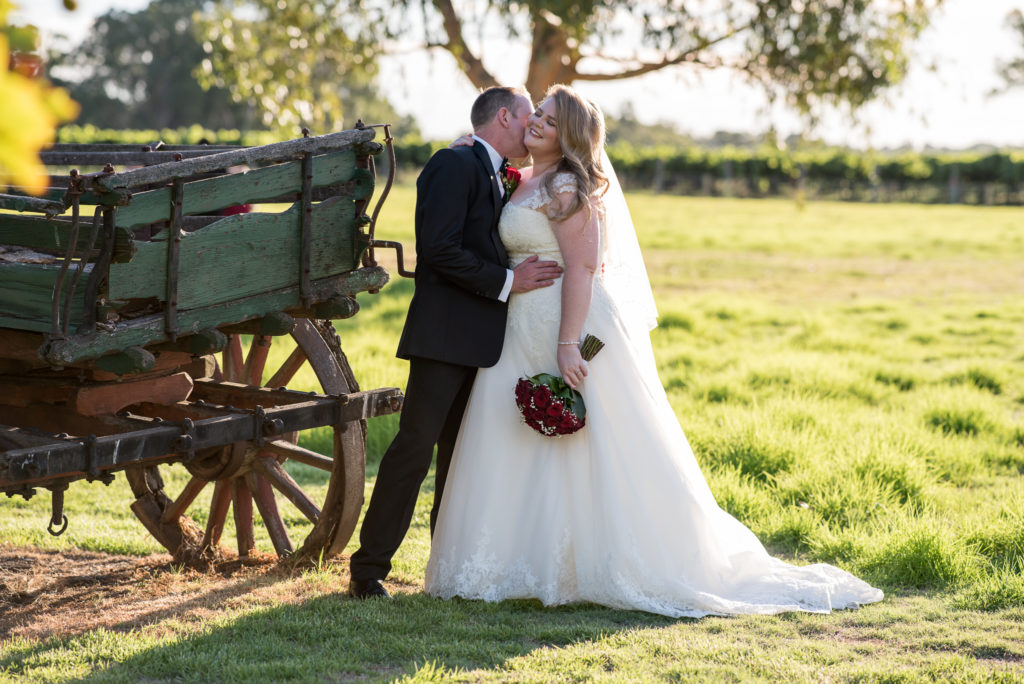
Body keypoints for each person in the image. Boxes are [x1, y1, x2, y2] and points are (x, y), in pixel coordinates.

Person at [424, 85, 884, 617]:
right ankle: (511, 561)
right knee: (513, 431)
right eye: (537, 117)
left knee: (586, 440)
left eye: (546, 121)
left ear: (568, 135)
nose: (535, 125)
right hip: (518, 326)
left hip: (562, 323)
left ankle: (591, 563)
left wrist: (568, 343)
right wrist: (470, 146)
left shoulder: (571, 186)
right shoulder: (520, 178)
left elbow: (581, 269)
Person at [348, 86, 564, 599]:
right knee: (414, 448)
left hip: (486, 340)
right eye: (529, 117)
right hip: (444, 336)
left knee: (459, 455)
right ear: (505, 116)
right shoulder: (454, 164)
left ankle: (446, 565)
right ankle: (369, 568)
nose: (533, 128)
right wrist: (509, 282)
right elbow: (440, 251)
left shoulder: (493, 169)